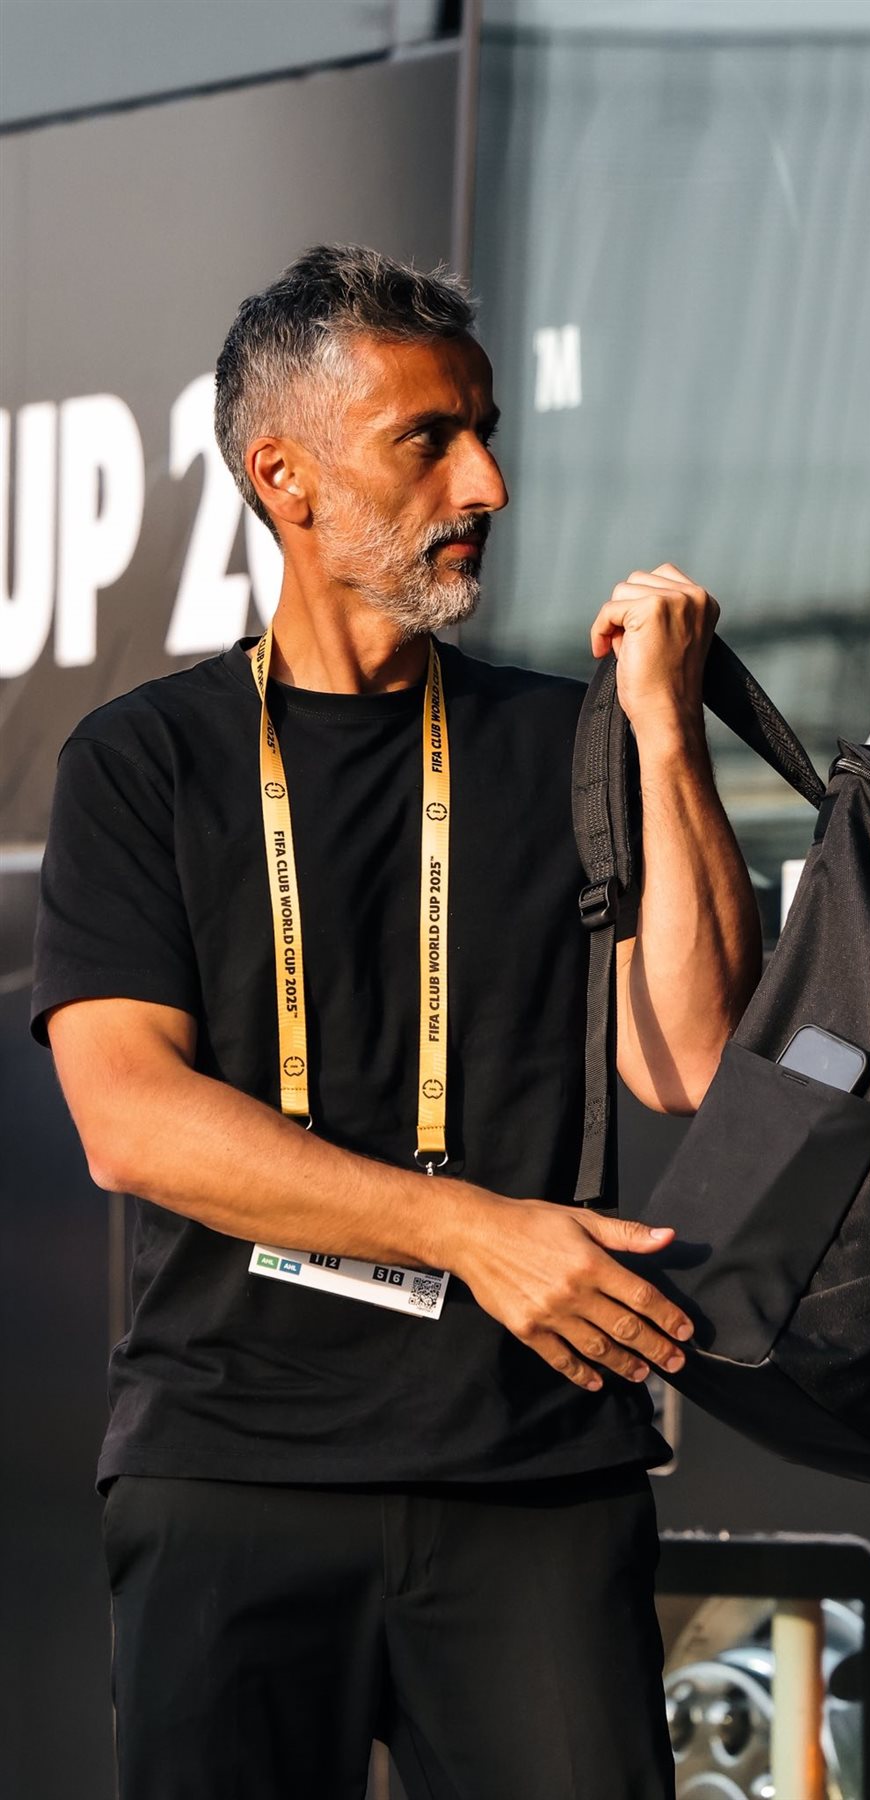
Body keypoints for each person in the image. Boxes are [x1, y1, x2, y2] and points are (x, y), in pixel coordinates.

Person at [32, 244, 761, 1799]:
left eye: (484, 432)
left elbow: (691, 1057)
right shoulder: (143, 762)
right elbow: (128, 1119)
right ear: (284, 477)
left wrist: (660, 736)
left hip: (531, 1477)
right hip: (231, 1475)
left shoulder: (564, 744)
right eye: (427, 438)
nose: (484, 482)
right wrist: (473, 1232)